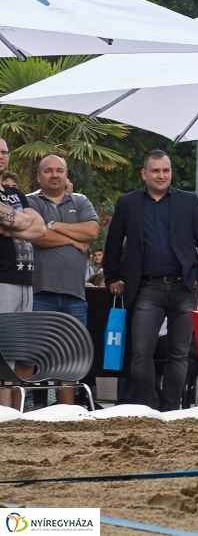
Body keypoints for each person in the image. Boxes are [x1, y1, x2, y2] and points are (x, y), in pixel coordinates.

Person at [103, 149, 198, 411]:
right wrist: (113, 276)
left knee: (179, 353)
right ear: (144, 174)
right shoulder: (128, 203)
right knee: (141, 352)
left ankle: (170, 409)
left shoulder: (188, 201)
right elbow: (113, 243)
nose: (161, 175)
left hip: (184, 286)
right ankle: (148, 407)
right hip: (146, 288)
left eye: (165, 170)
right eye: (155, 170)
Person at [26, 154, 100, 403]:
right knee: (30, 356)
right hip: (38, 293)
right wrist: (73, 239)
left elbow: (91, 230)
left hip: (74, 295)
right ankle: (27, 410)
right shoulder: (29, 202)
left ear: (66, 175)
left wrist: (54, 224)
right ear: (39, 176)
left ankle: (65, 413)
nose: (54, 174)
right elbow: (37, 236)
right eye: (48, 171)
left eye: (59, 170)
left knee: (69, 358)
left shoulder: (80, 201)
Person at [0, 142, 46, 407]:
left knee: (14, 351)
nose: (1, 157)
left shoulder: (15, 193)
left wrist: (13, 229)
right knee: (2, 347)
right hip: (2, 278)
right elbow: (22, 221)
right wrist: (20, 223)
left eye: (5, 152)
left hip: (24, 280)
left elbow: (39, 229)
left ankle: (8, 412)